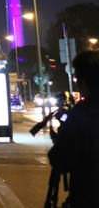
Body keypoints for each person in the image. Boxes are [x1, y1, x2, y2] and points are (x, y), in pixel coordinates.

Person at [48, 51, 99, 207]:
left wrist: (59, 137)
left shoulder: (82, 113)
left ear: (83, 81)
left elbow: (60, 159)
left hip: (87, 197)